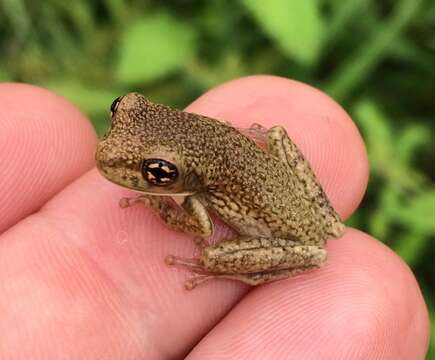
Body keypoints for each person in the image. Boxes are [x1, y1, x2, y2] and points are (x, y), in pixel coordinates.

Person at [0, 76, 428, 359]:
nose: (113, 155)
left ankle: (249, 272)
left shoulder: (201, 182)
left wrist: (160, 205)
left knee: (211, 256)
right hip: (281, 188)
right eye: (120, 109)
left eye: (157, 173)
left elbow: (199, 226)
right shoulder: (196, 130)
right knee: (277, 134)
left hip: (291, 236)